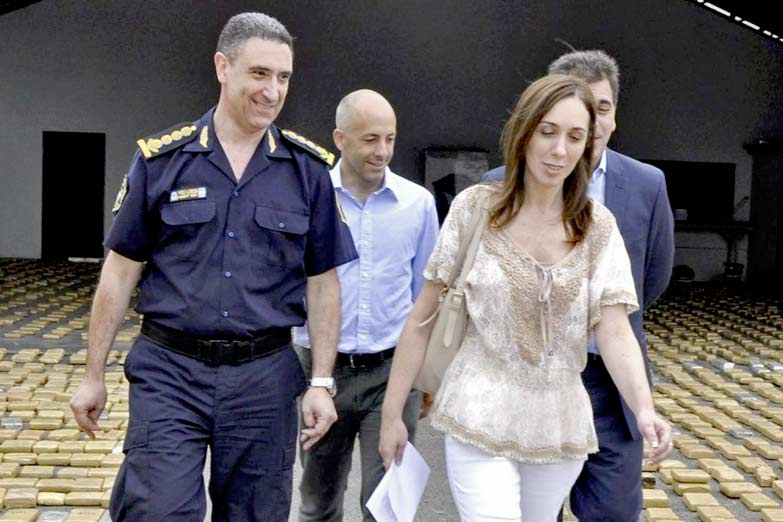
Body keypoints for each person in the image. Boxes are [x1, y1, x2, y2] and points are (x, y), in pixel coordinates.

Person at [69, 12, 357, 522]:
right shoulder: (162, 161)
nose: (272, 91)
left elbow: (323, 282)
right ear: (223, 67)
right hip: (170, 372)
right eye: (259, 73)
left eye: (283, 77)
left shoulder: (308, 172)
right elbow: (120, 270)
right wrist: (93, 374)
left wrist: (321, 381)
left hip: (264, 379)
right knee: (157, 510)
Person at [379, 74, 673, 522]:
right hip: (479, 413)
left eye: (574, 137)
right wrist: (392, 414)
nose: (559, 151)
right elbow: (422, 318)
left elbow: (615, 332)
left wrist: (644, 408)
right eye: (548, 132)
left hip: (558, 424)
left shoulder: (598, 228)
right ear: (524, 132)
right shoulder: (475, 209)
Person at [483, 49, 675, 522]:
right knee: (532, 512)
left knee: (613, 513)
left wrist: (605, 330)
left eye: (602, 108)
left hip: (610, 387)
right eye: (579, 107)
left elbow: (652, 278)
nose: (593, 120)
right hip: (528, 381)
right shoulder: (497, 189)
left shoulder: (647, 185)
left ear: (614, 115)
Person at [293, 89, 439, 522]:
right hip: (320, 372)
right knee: (317, 504)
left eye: (390, 139)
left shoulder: (418, 204)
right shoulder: (310, 199)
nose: (383, 151)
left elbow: (425, 298)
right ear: (340, 138)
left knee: (388, 509)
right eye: (370, 139)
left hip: (391, 373)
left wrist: (425, 375)